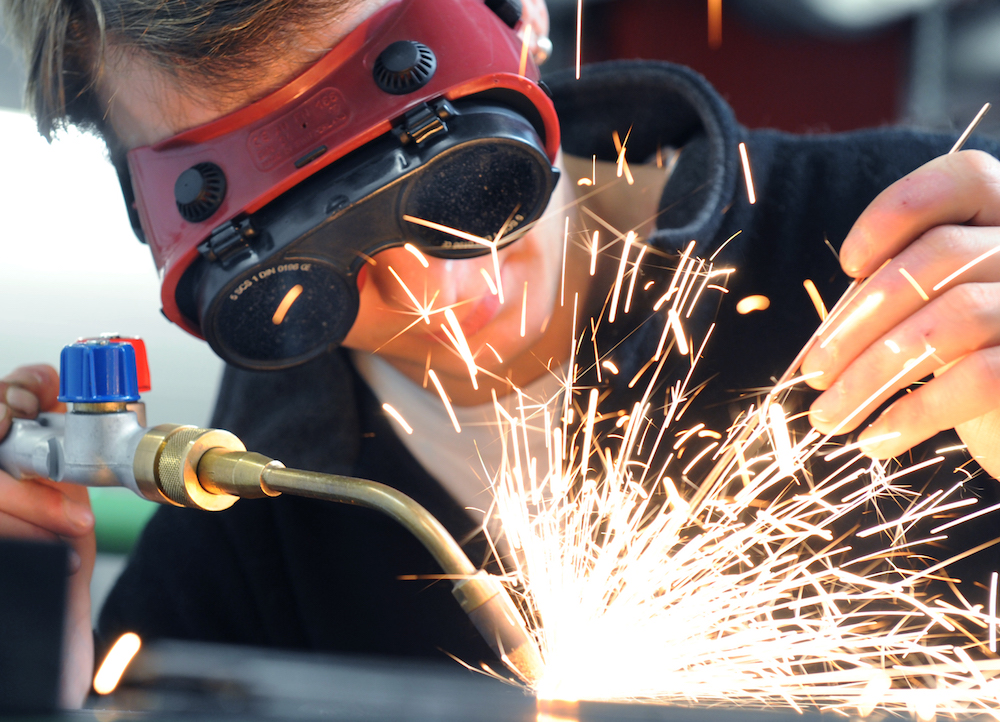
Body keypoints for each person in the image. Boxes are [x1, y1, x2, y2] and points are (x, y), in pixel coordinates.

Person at [2, 0, 1000, 709]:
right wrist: (31, 638)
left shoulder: (909, 265)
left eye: (462, 179)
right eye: (301, 262)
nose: (443, 292)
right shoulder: (236, 535)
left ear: (521, 22)